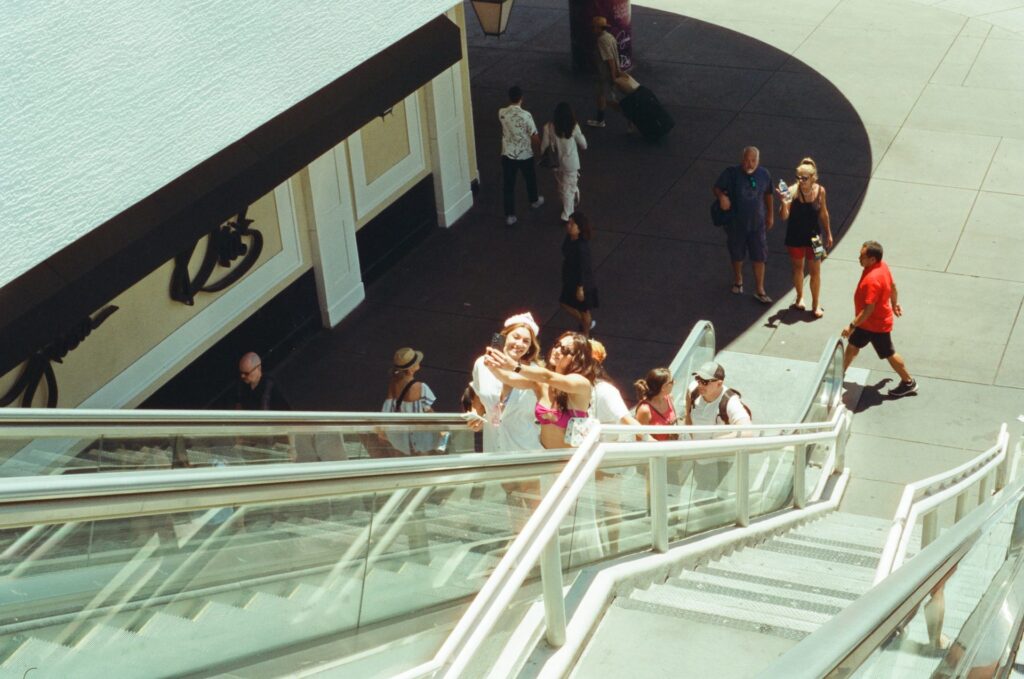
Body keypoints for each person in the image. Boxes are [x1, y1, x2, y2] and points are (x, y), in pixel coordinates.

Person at [841, 241, 918, 398]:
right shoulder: (882, 266)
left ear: (872, 259)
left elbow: (868, 310)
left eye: (862, 256)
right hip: (867, 323)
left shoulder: (872, 280)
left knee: (889, 353)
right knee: (853, 345)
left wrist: (851, 326)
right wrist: (895, 304)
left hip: (875, 325)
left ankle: (909, 382)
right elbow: (893, 286)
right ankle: (840, 372)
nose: (859, 258)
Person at [470, 312, 543, 453]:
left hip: (526, 450)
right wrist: (476, 413)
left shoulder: (535, 372)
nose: (519, 344)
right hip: (492, 450)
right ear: (504, 336)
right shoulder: (482, 364)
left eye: (526, 341)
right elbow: (477, 394)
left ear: (530, 347)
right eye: (516, 337)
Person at [713, 146, 775, 304]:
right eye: (747, 160)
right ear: (742, 160)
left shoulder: (764, 174)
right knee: (737, 254)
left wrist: (770, 214)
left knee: (759, 256)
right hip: (736, 224)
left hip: (757, 224)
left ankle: (760, 289)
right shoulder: (731, 173)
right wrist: (722, 197)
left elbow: (768, 194)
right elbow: (717, 188)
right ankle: (738, 279)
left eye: (753, 160)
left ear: (758, 161)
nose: (750, 163)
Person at [778, 157, 833, 319]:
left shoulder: (820, 191)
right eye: (798, 177)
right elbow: (784, 216)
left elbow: (823, 213)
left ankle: (816, 304)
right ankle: (799, 297)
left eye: (804, 178)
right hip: (795, 236)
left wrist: (828, 232)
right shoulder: (792, 191)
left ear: (813, 178)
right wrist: (783, 202)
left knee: (816, 271)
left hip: (815, 237)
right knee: (798, 268)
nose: (801, 181)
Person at [381, 347, 440, 454]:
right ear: (410, 369)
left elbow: (387, 410)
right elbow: (429, 412)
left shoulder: (393, 385)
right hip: (421, 439)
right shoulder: (421, 387)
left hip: (401, 441)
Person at [499, 85, 544, 226]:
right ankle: (534, 200)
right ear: (521, 98)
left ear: (509, 97)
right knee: (530, 178)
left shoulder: (501, 112)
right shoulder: (526, 116)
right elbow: (534, 136)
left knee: (509, 185)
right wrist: (541, 149)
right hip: (525, 154)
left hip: (508, 154)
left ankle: (510, 215)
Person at [542, 102, 588, 222]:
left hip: (556, 162)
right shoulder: (573, 127)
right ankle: (567, 214)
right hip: (571, 163)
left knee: (563, 185)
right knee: (568, 187)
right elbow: (583, 145)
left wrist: (543, 155)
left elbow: (544, 146)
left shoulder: (548, 127)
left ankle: (570, 200)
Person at [560, 211, 599, 336]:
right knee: (565, 303)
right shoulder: (569, 238)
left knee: (584, 310)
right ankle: (585, 323)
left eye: (572, 224)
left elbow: (583, 268)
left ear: (580, 228)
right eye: (569, 223)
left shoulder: (581, 247)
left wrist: (580, 288)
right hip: (571, 280)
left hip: (582, 284)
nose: (569, 226)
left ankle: (586, 334)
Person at [683, 361, 752, 433]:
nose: (700, 385)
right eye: (698, 379)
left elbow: (747, 432)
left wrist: (713, 443)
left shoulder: (731, 402)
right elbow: (687, 415)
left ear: (719, 384)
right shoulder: (693, 389)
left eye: (705, 381)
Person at [586, 16, 621, 128]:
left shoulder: (601, 40)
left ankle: (630, 118)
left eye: (594, 27)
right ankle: (600, 120)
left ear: (599, 28)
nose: (593, 29)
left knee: (609, 100)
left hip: (605, 75)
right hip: (607, 74)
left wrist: (613, 76)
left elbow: (609, 59)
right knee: (601, 96)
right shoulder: (609, 37)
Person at [634, 367, 678, 440]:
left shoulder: (670, 398)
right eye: (671, 382)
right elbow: (639, 438)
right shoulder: (645, 410)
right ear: (663, 387)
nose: (674, 383)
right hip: (655, 450)